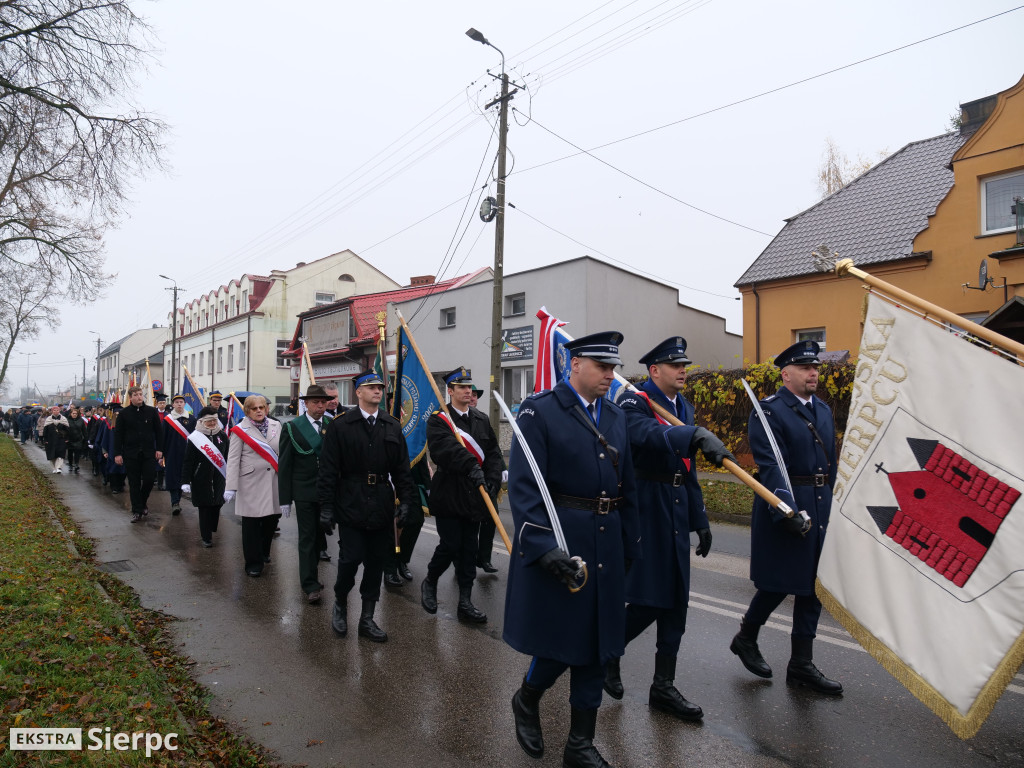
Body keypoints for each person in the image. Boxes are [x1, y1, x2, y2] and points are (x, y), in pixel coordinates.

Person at [504, 331, 640, 768]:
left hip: (606, 537)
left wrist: (630, 540)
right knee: (564, 638)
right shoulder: (539, 412)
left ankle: (579, 745)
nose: (610, 375)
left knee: (600, 642)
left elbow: (628, 485)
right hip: (565, 540)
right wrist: (541, 545)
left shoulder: (615, 416)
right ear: (574, 363)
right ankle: (527, 698)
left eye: (614, 368)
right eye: (602, 366)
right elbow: (525, 486)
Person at [604, 337, 735, 722]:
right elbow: (643, 435)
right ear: (654, 370)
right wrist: (690, 435)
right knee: (648, 599)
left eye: (685, 365)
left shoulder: (683, 407)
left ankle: (663, 686)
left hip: (676, 508)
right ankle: (610, 651)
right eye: (674, 365)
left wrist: (700, 519)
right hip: (647, 507)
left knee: (676, 598)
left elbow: (686, 470)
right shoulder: (634, 400)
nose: (683, 371)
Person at [730, 340, 842, 695]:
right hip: (787, 500)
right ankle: (746, 636)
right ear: (786, 374)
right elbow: (771, 466)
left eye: (816, 368)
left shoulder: (823, 409)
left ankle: (801, 664)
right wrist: (786, 509)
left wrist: (839, 503)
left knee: (814, 586)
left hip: (822, 501)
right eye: (806, 368)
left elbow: (832, 461)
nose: (813, 373)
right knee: (779, 582)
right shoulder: (770, 411)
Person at [318, 370, 417, 643]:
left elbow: (402, 470)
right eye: (371, 387)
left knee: (376, 562)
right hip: (351, 500)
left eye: (380, 387)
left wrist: (406, 502)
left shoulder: (392, 425)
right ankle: (340, 602)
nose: (378, 391)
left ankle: (367, 618)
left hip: (382, 504)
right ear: (358, 392)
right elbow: (328, 471)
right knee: (350, 560)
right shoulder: (341, 425)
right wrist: (326, 507)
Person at [420, 368, 503, 622]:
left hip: (475, 494)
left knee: (470, 549)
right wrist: (471, 466)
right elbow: (443, 450)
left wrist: (491, 479)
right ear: (451, 391)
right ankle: (431, 580)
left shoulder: (480, 418)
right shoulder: (439, 419)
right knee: (451, 544)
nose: (468, 391)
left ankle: (465, 602)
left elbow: (493, 453)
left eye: (470, 387)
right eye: (462, 387)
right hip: (450, 492)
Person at [279, 384, 334, 604]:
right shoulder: (293, 428)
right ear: (306, 404)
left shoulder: (333, 424)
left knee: (325, 540)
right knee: (308, 539)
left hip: (330, 492)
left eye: (323, 402)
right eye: (315, 403)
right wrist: (285, 498)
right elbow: (285, 466)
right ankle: (310, 584)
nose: (320, 406)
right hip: (305, 493)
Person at [225, 395, 282, 577]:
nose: (259, 411)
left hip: (273, 481)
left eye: (262, 407)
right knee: (251, 525)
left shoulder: (276, 425)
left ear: (266, 409)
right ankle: (253, 563)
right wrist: (230, 486)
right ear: (247, 411)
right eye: (254, 408)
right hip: (250, 482)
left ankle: (264, 551)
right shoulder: (240, 430)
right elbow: (233, 460)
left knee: (271, 521)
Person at [114, 386, 164, 523]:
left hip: (148, 452)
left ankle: (142, 502)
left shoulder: (151, 411)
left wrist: (159, 449)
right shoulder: (124, 414)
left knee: (149, 479)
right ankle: (137, 511)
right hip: (131, 453)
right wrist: (117, 453)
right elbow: (118, 435)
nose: (139, 397)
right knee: (134, 483)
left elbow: (159, 432)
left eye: (141, 394)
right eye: (136, 394)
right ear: (130, 397)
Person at [181, 407, 230, 547]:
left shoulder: (222, 436)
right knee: (204, 507)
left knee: (218, 503)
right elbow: (188, 461)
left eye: (215, 420)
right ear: (202, 422)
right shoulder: (195, 438)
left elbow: (227, 456)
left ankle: (211, 527)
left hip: (220, 477)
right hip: (200, 478)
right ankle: (206, 537)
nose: (213, 423)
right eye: (209, 421)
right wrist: (185, 481)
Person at [469, 384, 502, 575]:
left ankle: (485, 558)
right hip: (467, 483)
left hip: (485, 482)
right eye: (469, 394)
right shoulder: (450, 420)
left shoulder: (483, 419)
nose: (472, 398)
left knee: (490, 520)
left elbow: (494, 452)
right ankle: (465, 561)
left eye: (475, 395)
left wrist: (495, 478)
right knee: (469, 528)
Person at [162, 394, 196, 515]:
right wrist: (161, 454)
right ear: (173, 405)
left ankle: (178, 500)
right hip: (172, 453)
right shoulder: (168, 420)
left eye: (181, 402)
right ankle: (175, 503)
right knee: (172, 477)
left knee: (183, 477)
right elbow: (163, 438)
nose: (179, 404)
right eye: (177, 402)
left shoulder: (192, 419)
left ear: (184, 404)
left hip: (187, 453)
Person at [42, 405, 70, 473]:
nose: (56, 411)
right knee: (52, 455)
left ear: (59, 411)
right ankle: (54, 468)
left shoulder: (63, 419)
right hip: (51, 440)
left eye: (57, 410)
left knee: (60, 454)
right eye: (54, 410)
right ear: (52, 411)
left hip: (61, 439)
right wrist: (45, 440)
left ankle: (58, 467)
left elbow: (67, 430)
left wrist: (67, 438)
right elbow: (45, 431)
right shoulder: (48, 419)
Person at [65, 406, 88, 474]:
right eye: (73, 413)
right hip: (70, 439)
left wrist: (86, 438)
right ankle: (70, 464)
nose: (74, 415)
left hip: (78, 439)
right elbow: (64, 430)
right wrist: (66, 438)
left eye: (76, 413)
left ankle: (76, 464)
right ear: (71, 414)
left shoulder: (80, 420)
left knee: (77, 453)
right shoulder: (67, 420)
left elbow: (84, 430)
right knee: (70, 453)